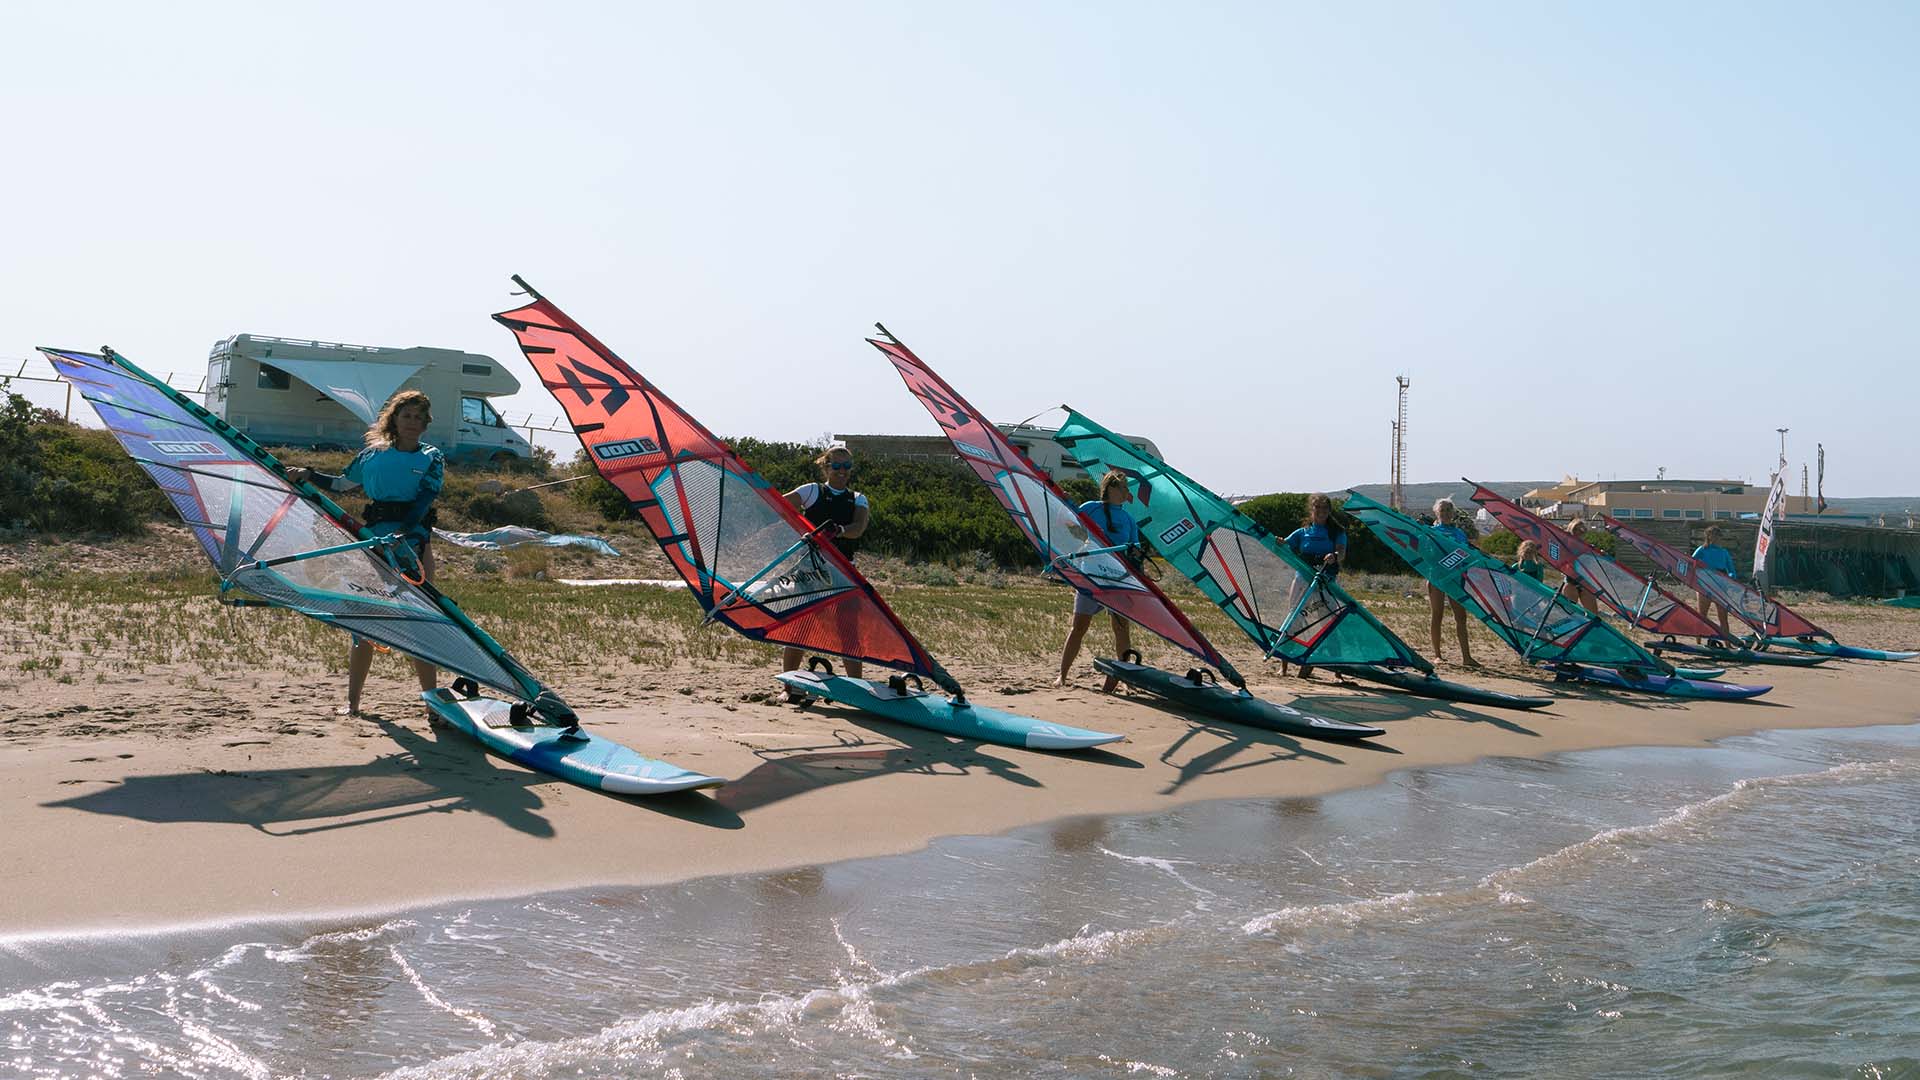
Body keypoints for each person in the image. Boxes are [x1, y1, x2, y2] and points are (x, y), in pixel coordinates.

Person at [285, 390, 442, 716]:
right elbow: (342, 484)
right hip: (372, 543)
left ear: (426, 423)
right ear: (394, 420)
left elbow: (424, 500)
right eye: (406, 416)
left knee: (422, 624)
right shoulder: (372, 455)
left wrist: (406, 539)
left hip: (413, 546)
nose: (412, 422)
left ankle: (434, 708)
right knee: (364, 623)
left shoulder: (431, 457)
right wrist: (309, 475)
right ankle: (353, 704)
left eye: (418, 417)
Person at [780, 443, 870, 700]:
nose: (842, 471)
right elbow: (780, 507)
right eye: (837, 466)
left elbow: (858, 527)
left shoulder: (858, 498)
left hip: (843, 570)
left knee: (848, 631)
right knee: (800, 626)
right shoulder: (811, 491)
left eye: (847, 467)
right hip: (809, 569)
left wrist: (840, 530)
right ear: (827, 467)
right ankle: (789, 687)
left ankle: (858, 691)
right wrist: (802, 529)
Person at [1056, 472, 1138, 689]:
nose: (1126, 493)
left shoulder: (1129, 519)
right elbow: (1072, 526)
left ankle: (1127, 680)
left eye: (1126, 489)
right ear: (1110, 488)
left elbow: (1135, 551)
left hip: (1117, 581)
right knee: (1078, 627)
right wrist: (1066, 506)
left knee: (1121, 629)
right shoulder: (1091, 507)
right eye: (1122, 488)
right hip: (1090, 576)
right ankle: (1062, 676)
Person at [1281, 493, 1348, 677]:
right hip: (1302, 580)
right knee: (1292, 619)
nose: (1321, 512)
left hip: (1325, 582)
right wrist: (1278, 541)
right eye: (1317, 508)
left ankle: (1338, 670)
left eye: (1325, 508)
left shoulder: (1337, 532)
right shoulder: (1303, 532)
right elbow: (1284, 544)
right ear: (1312, 510)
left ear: (1329, 511)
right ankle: (1284, 666)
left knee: (1329, 622)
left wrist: (1334, 555)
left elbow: (1341, 552)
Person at [1427, 499, 1476, 665]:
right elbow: (1427, 554)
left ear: (1453, 512)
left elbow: (1466, 554)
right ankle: (1437, 655)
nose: (1446, 512)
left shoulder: (1459, 533)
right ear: (1437, 512)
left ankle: (1467, 657)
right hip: (1437, 578)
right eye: (1443, 510)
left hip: (1456, 578)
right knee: (1437, 615)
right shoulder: (1431, 531)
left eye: (1449, 509)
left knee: (1461, 617)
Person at [1691, 525, 1738, 636]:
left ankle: (1727, 642)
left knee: (1723, 616)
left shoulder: (1724, 552)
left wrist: (1730, 579)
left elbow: (1731, 570)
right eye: (1714, 535)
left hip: (1721, 586)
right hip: (1704, 584)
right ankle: (1698, 641)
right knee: (1702, 615)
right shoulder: (1702, 550)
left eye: (1718, 536)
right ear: (1709, 536)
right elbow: (1691, 562)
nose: (1716, 538)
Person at [1561, 519, 1602, 614]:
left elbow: (1591, 561)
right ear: (1572, 530)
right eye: (1578, 530)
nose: (1580, 533)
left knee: (1593, 615)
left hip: (1585, 582)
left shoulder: (1585, 546)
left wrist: (1598, 553)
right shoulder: (1565, 543)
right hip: (1571, 581)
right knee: (1569, 614)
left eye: (1582, 531)